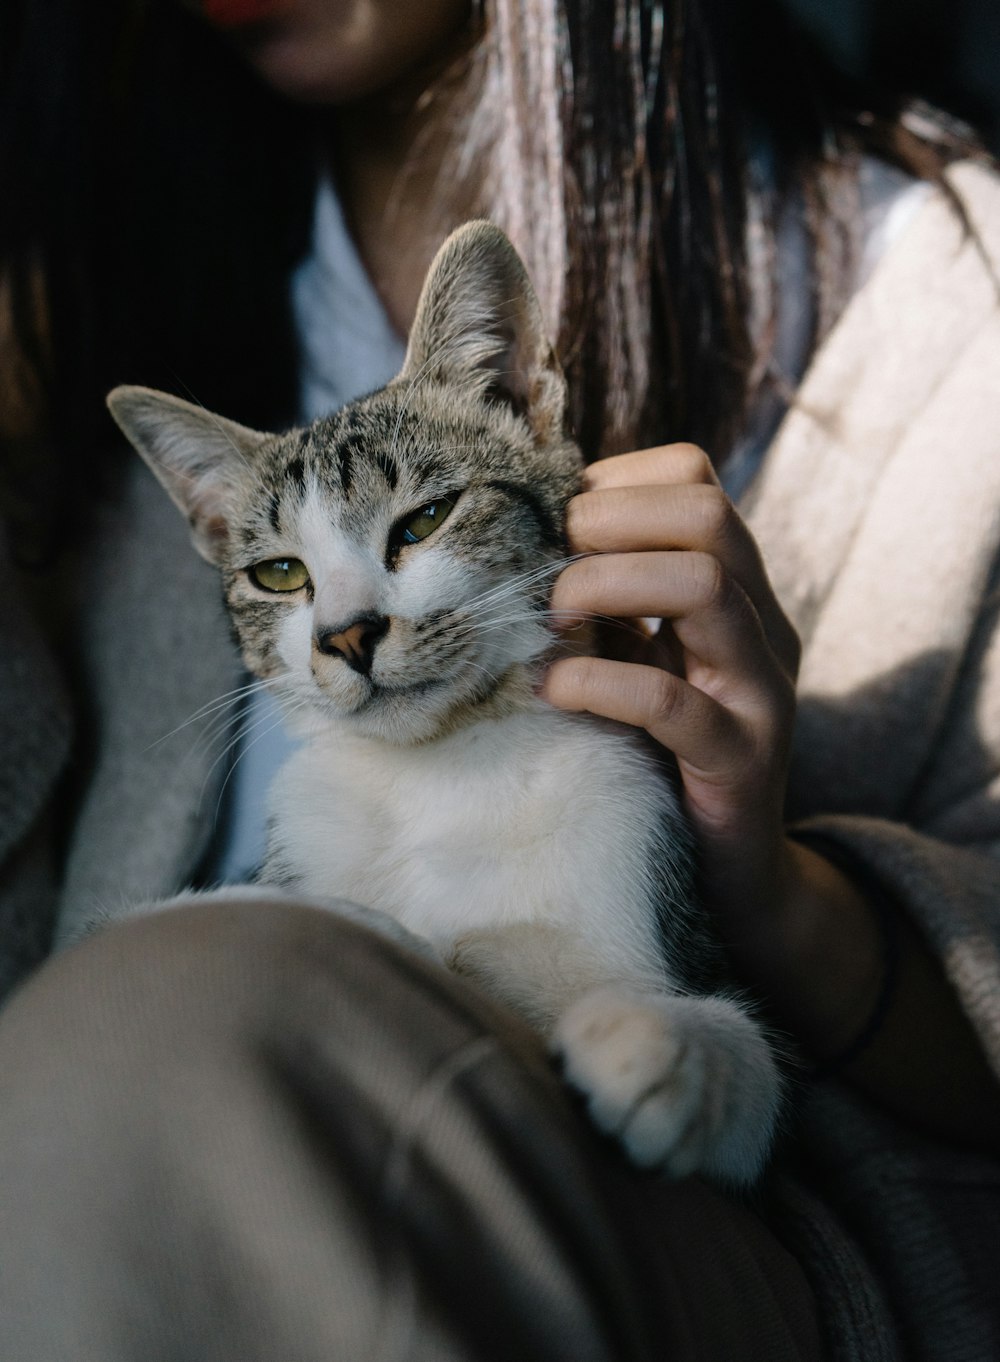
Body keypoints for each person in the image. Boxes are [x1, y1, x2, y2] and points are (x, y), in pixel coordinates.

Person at [1, 0, 999, 1356]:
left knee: (191, 1006)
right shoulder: (93, 287)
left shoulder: (955, 323)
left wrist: (777, 889)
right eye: (286, 577)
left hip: (639, 1268)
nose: (346, 624)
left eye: (413, 529)